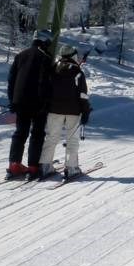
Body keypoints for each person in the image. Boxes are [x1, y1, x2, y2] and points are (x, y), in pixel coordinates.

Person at [7, 29, 54, 179]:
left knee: (20, 133)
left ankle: (14, 165)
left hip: (19, 101)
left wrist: (12, 101)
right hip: (38, 103)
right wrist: (45, 102)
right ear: (45, 41)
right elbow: (45, 83)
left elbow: (11, 81)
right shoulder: (45, 58)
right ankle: (33, 167)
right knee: (37, 134)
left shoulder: (20, 55)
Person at [39, 45, 91, 180]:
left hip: (54, 109)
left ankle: (45, 165)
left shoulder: (53, 69)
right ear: (73, 55)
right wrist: (85, 111)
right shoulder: (77, 71)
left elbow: (47, 89)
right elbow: (83, 94)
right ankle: (71, 167)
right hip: (73, 111)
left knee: (51, 137)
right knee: (72, 139)